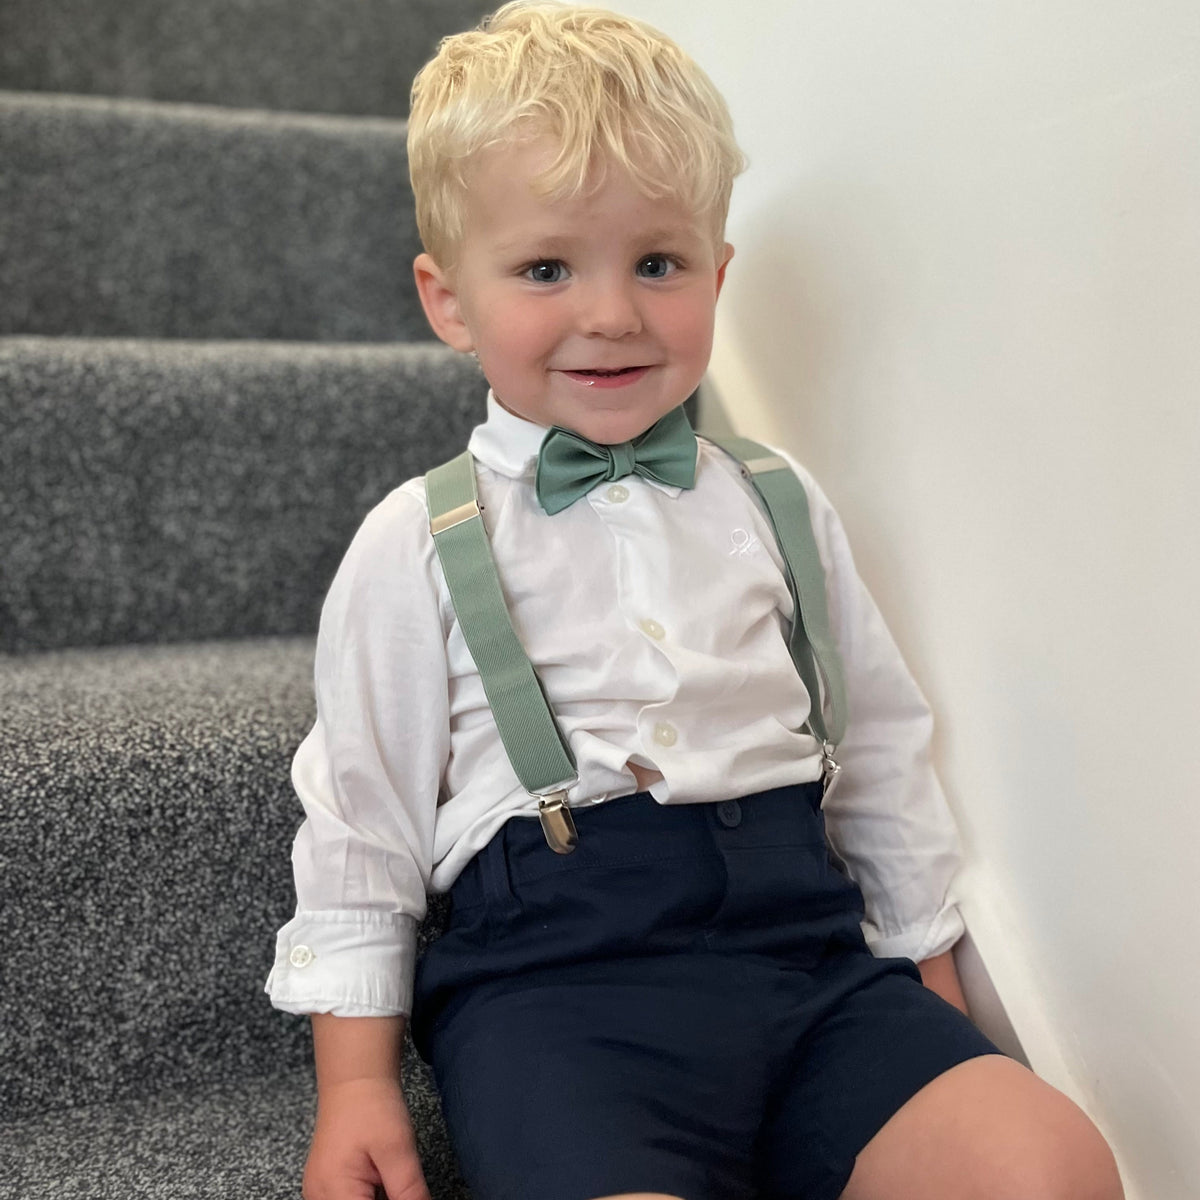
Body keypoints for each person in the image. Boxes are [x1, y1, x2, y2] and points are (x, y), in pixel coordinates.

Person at [266, 4, 1125, 1199]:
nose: (612, 313)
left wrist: (926, 980)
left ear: (718, 275)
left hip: (812, 964)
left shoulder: (777, 499)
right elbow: (362, 822)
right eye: (547, 269)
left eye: (657, 264)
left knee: (1052, 1164)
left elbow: (876, 743)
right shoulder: (417, 540)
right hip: (560, 996)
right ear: (448, 298)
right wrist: (357, 1083)